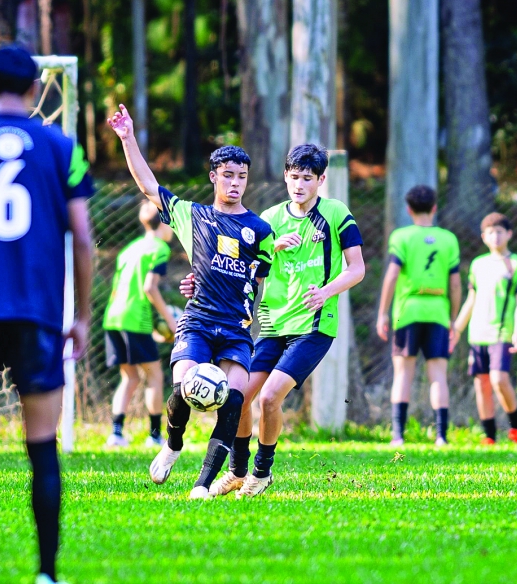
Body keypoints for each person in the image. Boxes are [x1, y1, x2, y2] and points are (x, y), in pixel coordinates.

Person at [0, 46, 93, 584]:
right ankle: (47, 574)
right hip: (36, 312)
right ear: (34, 91)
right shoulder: (61, 146)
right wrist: (83, 315)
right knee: (42, 444)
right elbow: (85, 240)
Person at [108, 104, 274, 499]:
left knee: (233, 401)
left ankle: (202, 484)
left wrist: (249, 310)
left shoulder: (260, 230)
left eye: (242, 177)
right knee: (183, 387)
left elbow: (259, 282)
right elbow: (149, 186)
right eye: (228, 175)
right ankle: (172, 444)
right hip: (198, 321)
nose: (236, 183)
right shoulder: (192, 216)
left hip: (235, 330)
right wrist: (128, 138)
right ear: (214, 176)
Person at [184, 144, 365, 498]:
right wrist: (198, 281)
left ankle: (261, 473)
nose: (299, 185)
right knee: (238, 398)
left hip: (313, 326)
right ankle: (237, 472)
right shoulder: (268, 220)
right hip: (270, 324)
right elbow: (234, 265)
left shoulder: (335, 213)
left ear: (321, 180)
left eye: (307, 179)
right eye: (294, 177)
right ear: (285, 176)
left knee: (269, 398)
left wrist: (326, 291)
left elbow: (357, 269)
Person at [376, 185, 461, 446]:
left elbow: (391, 275)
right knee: (438, 374)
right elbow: (455, 283)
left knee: (403, 373)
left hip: (407, 309)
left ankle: (398, 435)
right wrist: (454, 319)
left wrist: (383, 313)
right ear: (434, 208)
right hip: (438, 310)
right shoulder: (448, 239)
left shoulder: (401, 237)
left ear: (408, 209)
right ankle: (441, 436)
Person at [103, 200, 177, 448]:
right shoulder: (160, 248)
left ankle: (116, 433)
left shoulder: (129, 249)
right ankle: (155, 436)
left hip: (113, 317)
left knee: (130, 377)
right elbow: (149, 288)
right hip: (136, 319)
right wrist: (170, 322)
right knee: (155, 375)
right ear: (164, 223)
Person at [451, 212, 517, 444]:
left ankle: (516, 427)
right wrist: (456, 329)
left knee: (498, 379)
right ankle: (490, 436)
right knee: (482, 382)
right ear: (484, 236)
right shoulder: (478, 264)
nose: (495, 237)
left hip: (501, 333)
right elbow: (471, 299)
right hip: (478, 334)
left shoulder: (516, 263)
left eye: (499, 232)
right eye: (490, 232)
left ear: (509, 234)